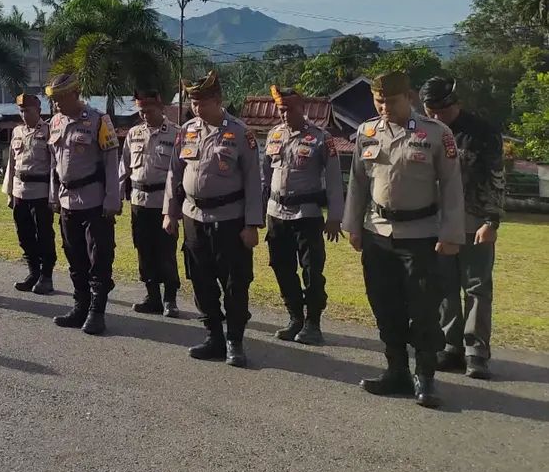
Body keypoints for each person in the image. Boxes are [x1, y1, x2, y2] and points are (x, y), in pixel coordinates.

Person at [344, 71, 464, 408]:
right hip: (377, 232)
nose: (384, 107)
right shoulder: (366, 132)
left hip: (421, 235)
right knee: (385, 305)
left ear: (408, 97)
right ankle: (396, 370)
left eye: (391, 101)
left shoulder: (436, 133)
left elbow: (452, 185)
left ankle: (425, 376)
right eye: (378, 101)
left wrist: (451, 233)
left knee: (424, 309)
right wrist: (353, 226)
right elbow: (357, 182)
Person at [163, 70, 264, 367]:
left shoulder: (241, 133)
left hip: (230, 219)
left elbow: (253, 181)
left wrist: (252, 224)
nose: (197, 108)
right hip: (193, 216)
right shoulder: (187, 131)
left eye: (203, 103)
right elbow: (174, 173)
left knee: (234, 283)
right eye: (193, 103)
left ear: (218, 100)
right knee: (200, 279)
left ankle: (235, 341)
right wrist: (169, 212)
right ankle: (214, 336)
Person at [420, 76, 505, 380]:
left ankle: (476, 351)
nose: (436, 116)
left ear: (455, 103)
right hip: (438, 221)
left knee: (476, 287)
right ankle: (450, 345)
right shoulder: (426, 131)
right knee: (444, 285)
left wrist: (492, 221)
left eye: (441, 110)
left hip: (474, 221)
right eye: (430, 111)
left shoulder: (482, 132)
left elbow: (496, 178)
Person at [259, 86, 344, 345]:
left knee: (311, 270)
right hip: (276, 213)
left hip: (307, 215)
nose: (284, 114)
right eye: (281, 109)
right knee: (281, 267)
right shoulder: (274, 134)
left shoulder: (320, 138)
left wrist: (335, 217)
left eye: (289, 109)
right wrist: (257, 212)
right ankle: (295, 317)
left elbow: (334, 179)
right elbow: (265, 177)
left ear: (302, 108)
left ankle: (312, 323)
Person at [45, 74, 122, 335]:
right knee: (74, 256)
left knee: (98, 257)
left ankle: (96, 312)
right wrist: (53, 196)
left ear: (74, 94)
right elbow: (54, 163)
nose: (56, 104)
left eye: (60, 98)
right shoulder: (55, 122)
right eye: (53, 99)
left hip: (94, 201)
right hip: (67, 200)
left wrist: (112, 199)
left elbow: (111, 162)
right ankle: (80, 306)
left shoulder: (99, 120)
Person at [117, 88, 180, 317]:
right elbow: (123, 167)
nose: (145, 115)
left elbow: (181, 171)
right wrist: (115, 196)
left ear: (160, 108)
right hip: (139, 201)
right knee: (143, 250)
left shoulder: (176, 133)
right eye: (141, 111)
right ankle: (152, 297)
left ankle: (170, 299)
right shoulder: (134, 133)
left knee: (166, 252)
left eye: (149, 110)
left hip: (164, 203)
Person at [1, 92, 55, 295]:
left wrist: (54, 195)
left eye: (28, 111)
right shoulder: (17, 131)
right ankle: (33, 272)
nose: (24, 115)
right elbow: (11, 164)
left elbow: (54, 165)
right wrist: (9, 193)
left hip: (41, 191)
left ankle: (46, 276)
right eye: (22, 111)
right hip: (19, 191)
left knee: (44, 235)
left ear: (39, 111)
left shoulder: (48, 131)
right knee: (24, 235)